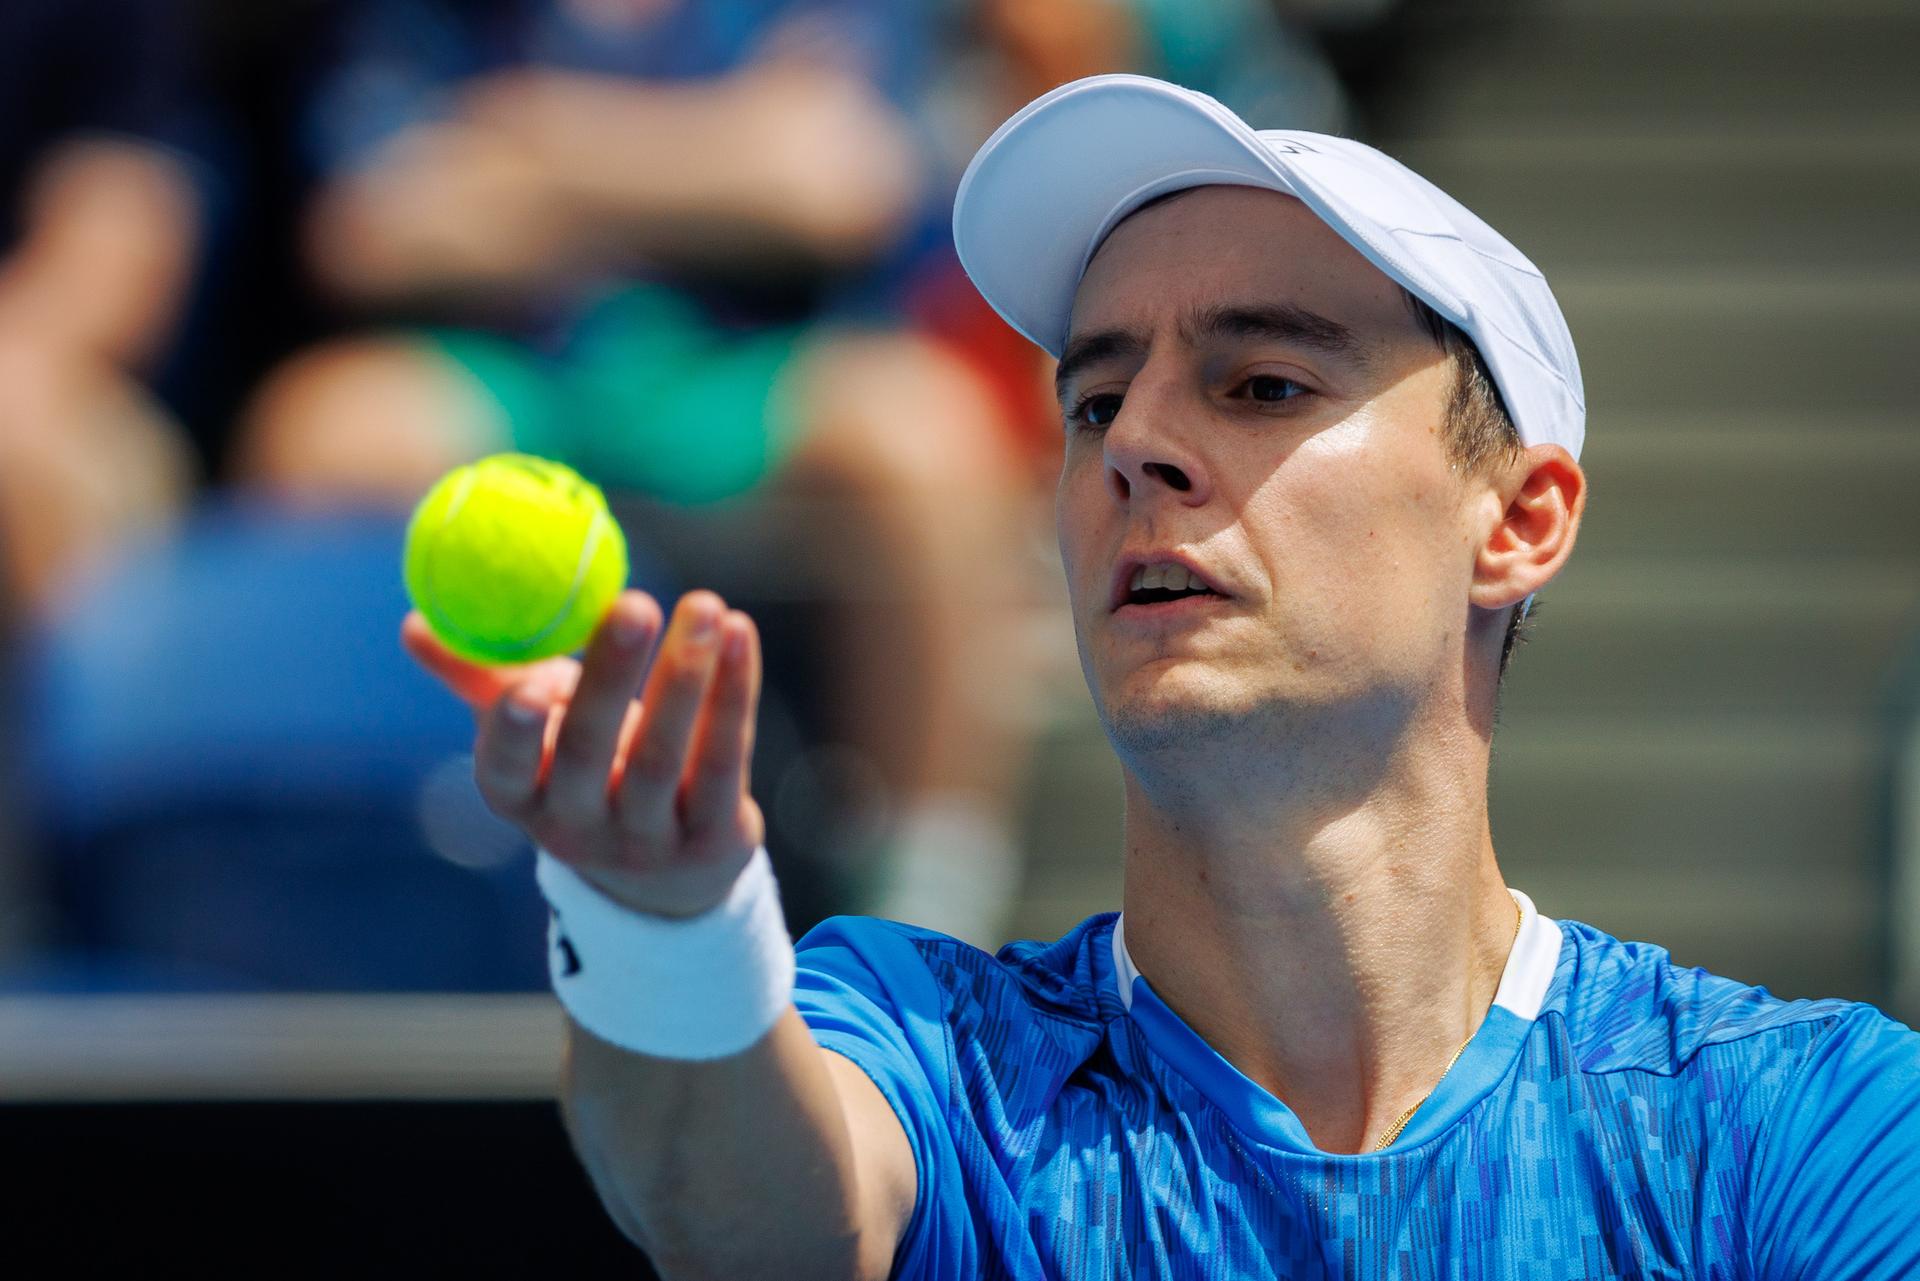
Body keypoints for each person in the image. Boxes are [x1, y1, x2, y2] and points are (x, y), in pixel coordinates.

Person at [403, 74, 1920, 1278]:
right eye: (1098, 394)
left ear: (1518, 523)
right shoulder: (918, 1049)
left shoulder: (1805, 1127)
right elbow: (747, 1222)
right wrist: (661, 921)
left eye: (1262, 382)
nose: (1135, 442)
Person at [236, 0, 1042, 946]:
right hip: (514, 371)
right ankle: (364, 885)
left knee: (924, 435)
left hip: (745, 372)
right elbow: (379, 231)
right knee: (324, 432)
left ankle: (927, 924)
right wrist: (724, 153)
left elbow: (833, 184)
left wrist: (524, 136)